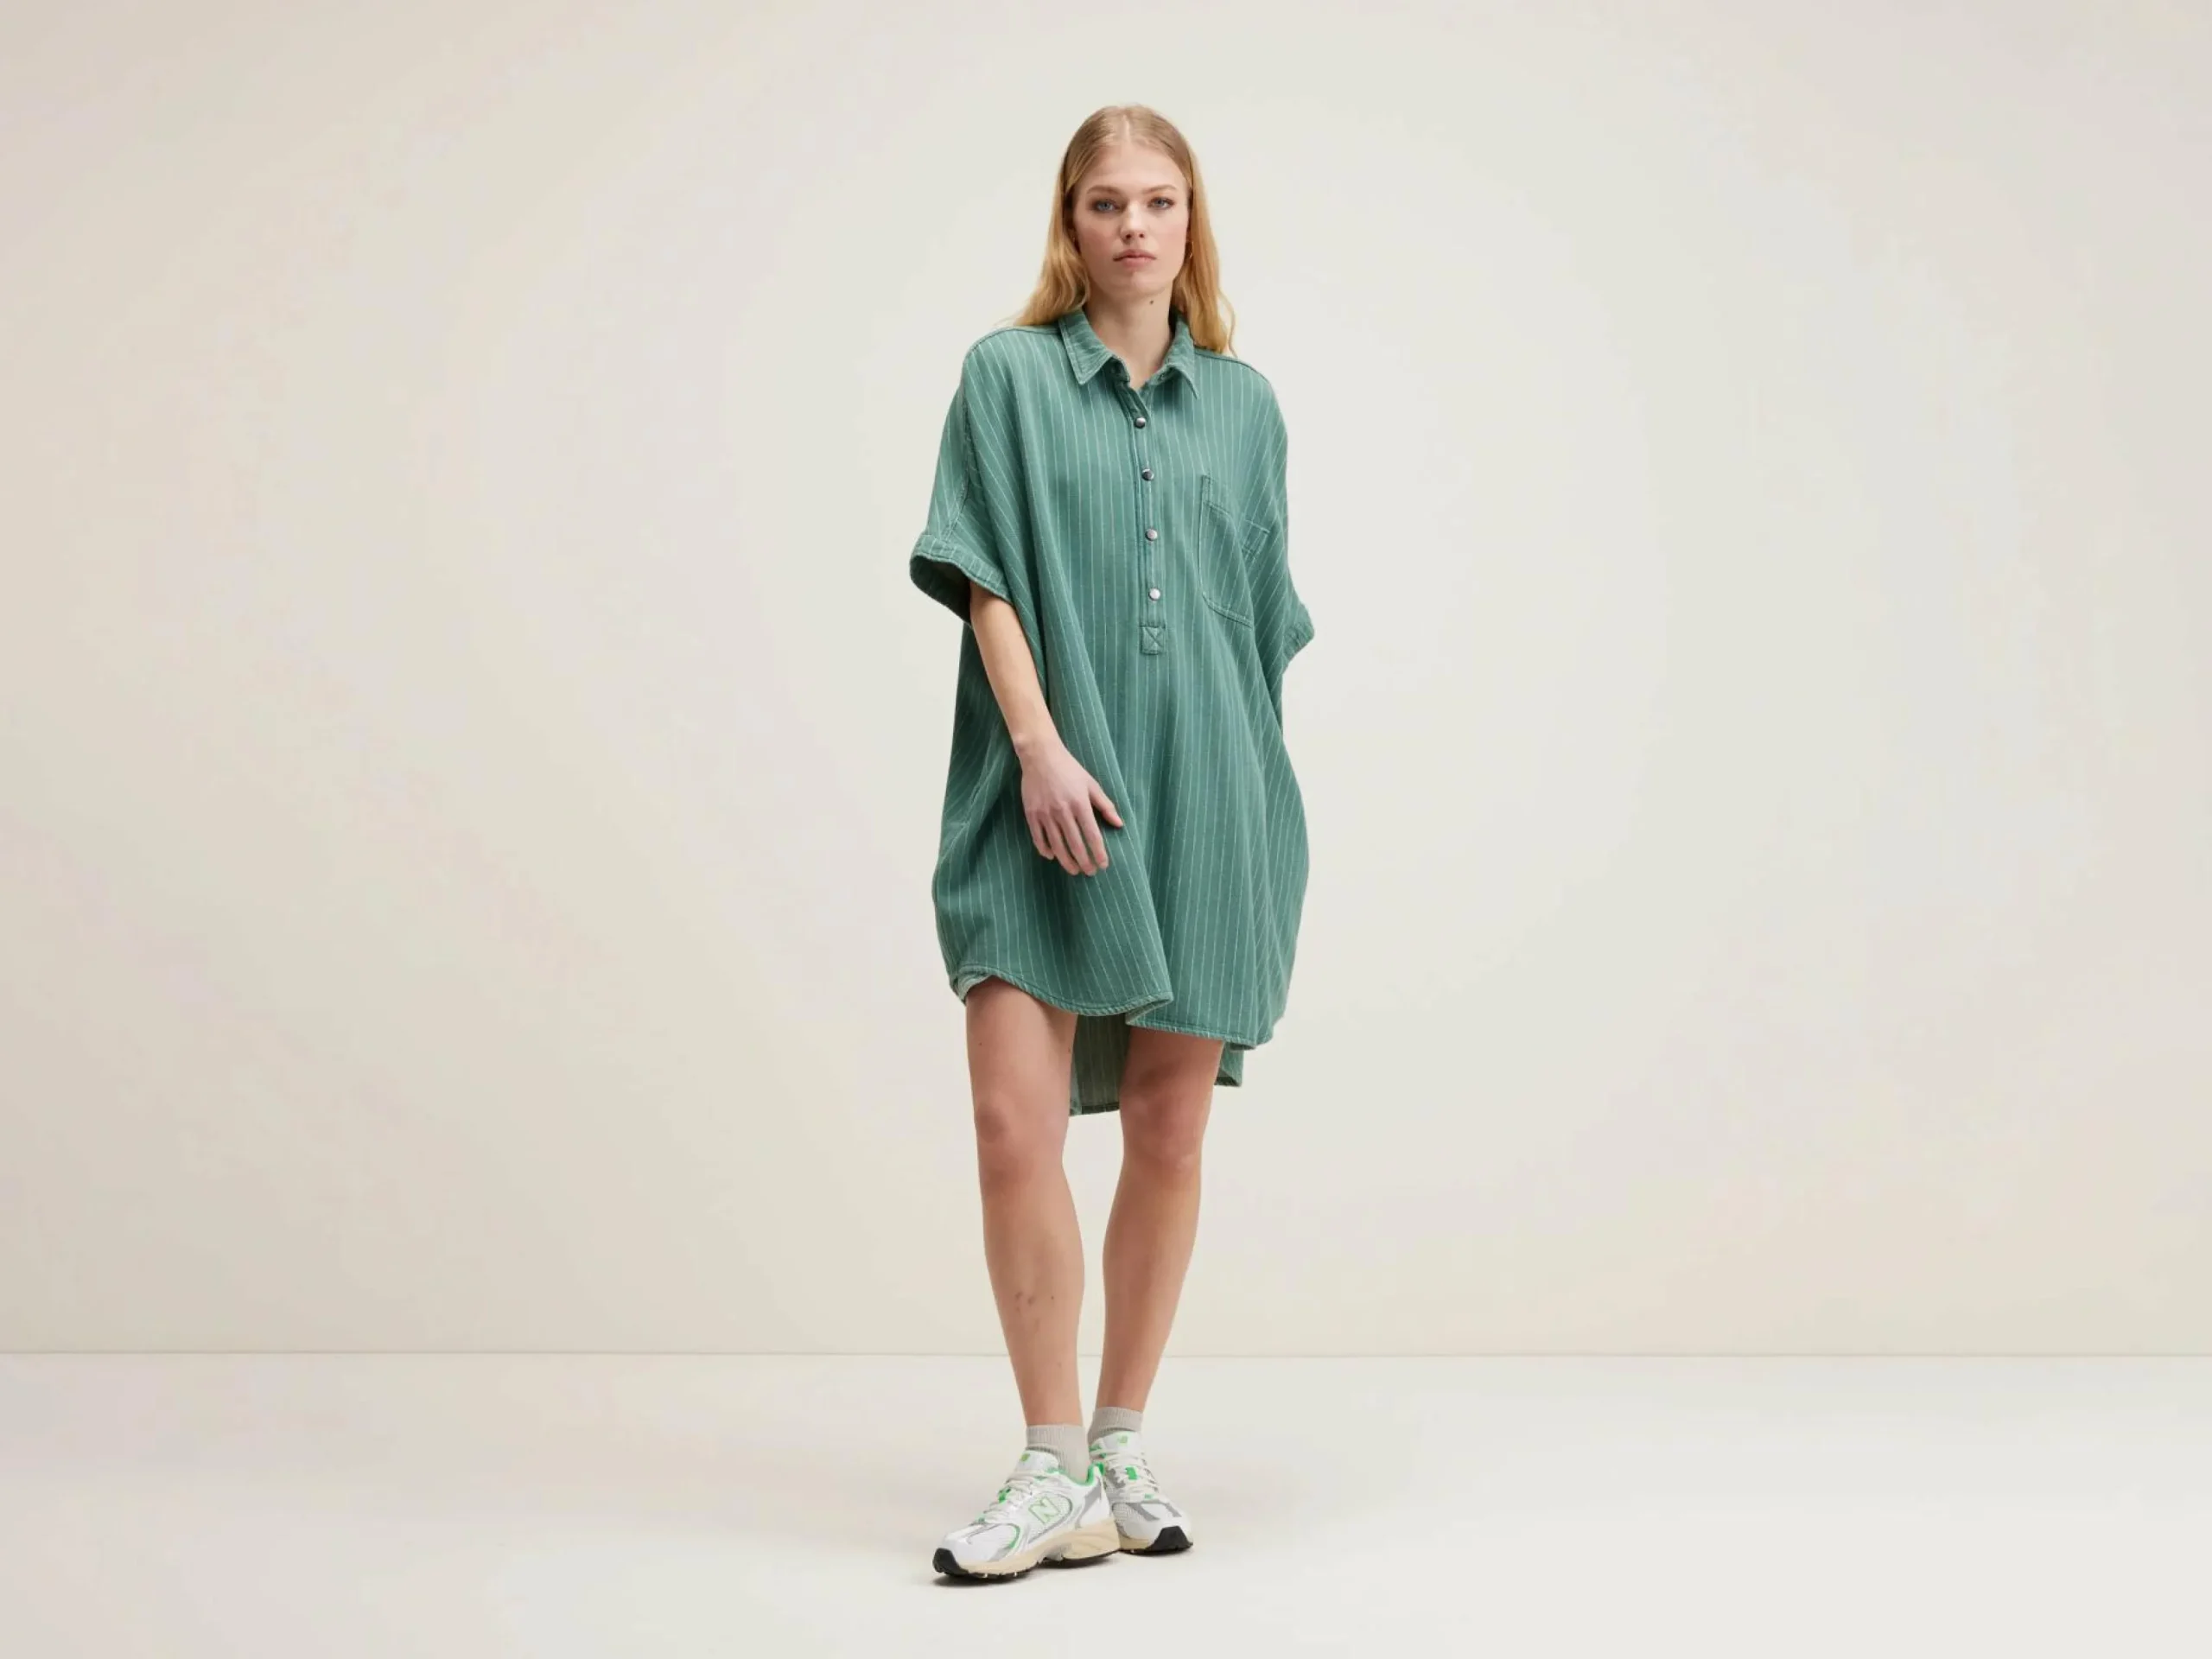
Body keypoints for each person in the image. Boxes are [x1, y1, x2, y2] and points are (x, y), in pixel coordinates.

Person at [909, 105, 1315, 1582]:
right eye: (1105, 203)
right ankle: (1048, 1463)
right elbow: (985, 576)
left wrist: (1247, 813)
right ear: (1068, 224)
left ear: (1190, 220)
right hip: (1040, 790)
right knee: (1012, 1124)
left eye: (1158, 201)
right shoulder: (1007, 377)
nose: (1134, 226)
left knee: (1169, 1129)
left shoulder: (1248, 408)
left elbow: (1258, 628)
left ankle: (1121, 1438)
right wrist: (1037, 747)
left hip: (1210, 797)